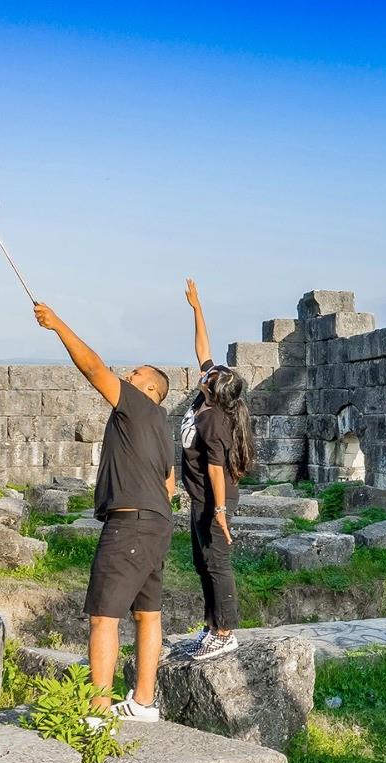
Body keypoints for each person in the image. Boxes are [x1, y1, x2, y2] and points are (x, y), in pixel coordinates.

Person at [32, 298, 174, 723]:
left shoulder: (137, 404)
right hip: (157, 524)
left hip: (129, 524)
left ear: (151, 390)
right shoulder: (161, 426)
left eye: (137, 374)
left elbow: (94, 369)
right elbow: (170, 484)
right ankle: (143, 701)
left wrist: (58, 325)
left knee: (103, 617)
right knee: (148, 614)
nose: (128, 375)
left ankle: (97, 712)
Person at [171, 278, 253, 661]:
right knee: (202, 562)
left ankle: (225, 632)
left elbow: (217, 470)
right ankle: (210, 626)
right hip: (201, 497)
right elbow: (202, 348)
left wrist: (220, 512)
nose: (204, 373)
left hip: (215, 500)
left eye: (209, 377)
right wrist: (197, 307)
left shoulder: (214, 420)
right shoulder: (206, 399)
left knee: (217, 563)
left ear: (213, 391)